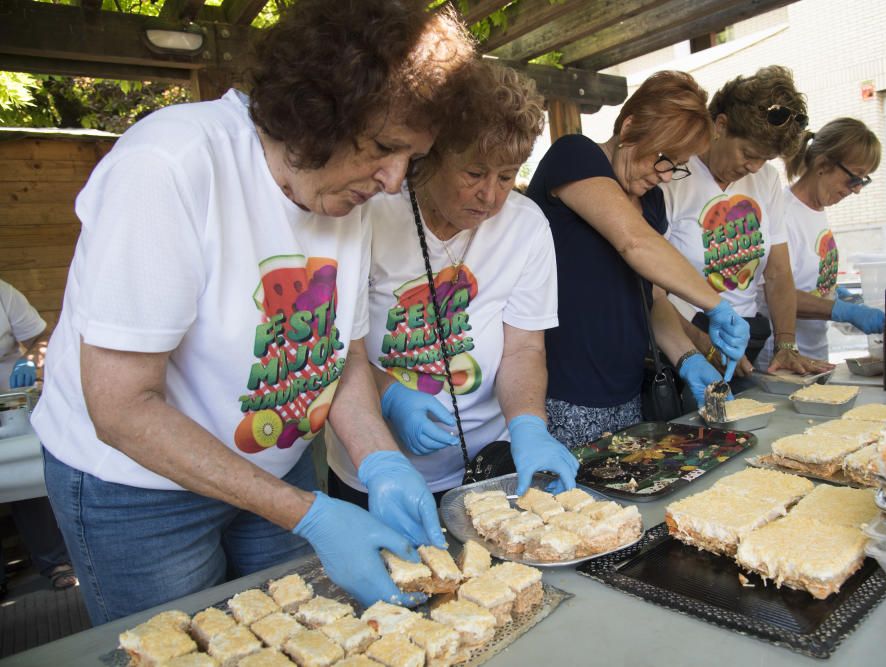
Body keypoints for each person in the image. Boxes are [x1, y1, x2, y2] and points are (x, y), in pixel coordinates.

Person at [30, 0, 477, 624]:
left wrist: (380, 459)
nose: (395, 180)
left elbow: (336, 352)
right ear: (320, 110)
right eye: (383, 148)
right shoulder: (171, 165)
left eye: (412, 158)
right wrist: (312, 514)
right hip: (142, 491)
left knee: (311, 636)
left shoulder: (348, 195)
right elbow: (121, 407)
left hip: (278, 462)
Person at [326, 61, 578, 500]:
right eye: (474, 173)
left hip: (486, 464)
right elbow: (333, 350)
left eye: (506, 175)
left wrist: (527, 427)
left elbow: (523, 347)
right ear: (431, 155)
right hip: (374, 469)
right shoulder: (369, 213)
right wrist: (389, 395)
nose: (491, 196)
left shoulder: (527, 225)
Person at [526, 71, 751, 448]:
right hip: (562, 396)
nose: (665, 176)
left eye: (677, 165)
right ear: (630, 126)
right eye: (664, 159)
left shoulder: (651, 202)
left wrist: (688, 358)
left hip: (627, 398)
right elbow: (634, 242)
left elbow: (654, 299)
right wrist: (716, 304)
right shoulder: (575, 155)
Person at [660, 65, 835, 382]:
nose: (754, 168)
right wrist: (702, 347)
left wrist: (786, 342)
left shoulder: (766, 179)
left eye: (765, 159)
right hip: (685, 339)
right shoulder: (672, 176)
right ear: (721, 125)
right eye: (748, 153)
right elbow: (652, 289)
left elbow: (778, 271)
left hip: (744, 337)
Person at [755, 118, 884, 367]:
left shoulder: (817, 209)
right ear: (823, 165)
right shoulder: (785, 213)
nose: (857, 190)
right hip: (783, 362)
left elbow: (807, 279)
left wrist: (838, 296)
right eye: (854, 179)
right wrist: (841, 311)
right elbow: (772, 292)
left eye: (863, 181)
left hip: (814, 356)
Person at [0, 279, 77, 598]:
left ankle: (55, 561)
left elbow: (39, 338)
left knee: (27, 479)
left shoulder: (3, 292)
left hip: (11, 402)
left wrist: (29, 360)